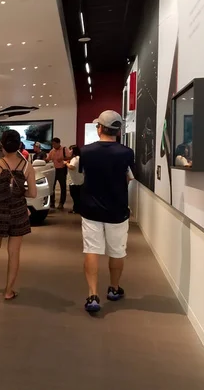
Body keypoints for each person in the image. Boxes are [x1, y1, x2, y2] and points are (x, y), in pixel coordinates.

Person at [79, 110, 134, 313]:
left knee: (92, 250)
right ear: (118, 131)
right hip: (117, 209)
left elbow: (82, 175)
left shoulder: (85, 151)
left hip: (91, 208)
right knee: (117, 251)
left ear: (99, 128)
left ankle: (92, 295)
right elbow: (129, 177)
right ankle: (114, 288)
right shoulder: (126, 153)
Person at [0, 129, 37, 300]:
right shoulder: (27, 166)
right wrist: (18, 193)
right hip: (19, 212)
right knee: (14, 252)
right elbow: (32, 193)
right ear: (19, 145)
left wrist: (0, 191)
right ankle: (8, 291)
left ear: (2, 146)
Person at [47, 137, 70, 209]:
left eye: (54, 144)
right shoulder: (52, 151)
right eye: (52, 144)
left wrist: (63, 158)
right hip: (54, 171)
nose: (53, 145)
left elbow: (69, 157)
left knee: (63, 187)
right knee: (52, 187)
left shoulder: (64, 149)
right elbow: (48, 159)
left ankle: (61, 203)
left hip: (62, 170)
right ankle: (52, 203)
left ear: (58, 143)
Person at [66, 145, 84, 214]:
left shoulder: (75, 159)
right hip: (79, 179)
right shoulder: (79, 158)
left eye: (70, 150)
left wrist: (66, 163)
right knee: (77, 195)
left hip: (74, 181)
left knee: (75, 195)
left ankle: (77, 209)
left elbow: (72, 167)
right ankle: (77, 208)